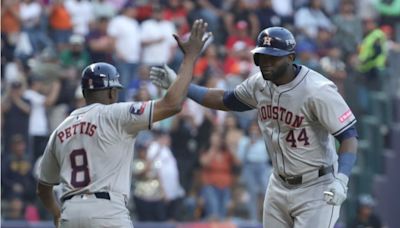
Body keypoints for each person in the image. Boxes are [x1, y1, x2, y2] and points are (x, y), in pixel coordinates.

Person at [150, 26, 359, 228]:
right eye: (261, 56)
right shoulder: (259, 84)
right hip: (278, 184)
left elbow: (348, 135)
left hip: (316, 186)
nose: (266, 63)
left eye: (273, 57)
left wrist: (342, 179)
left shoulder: (317, 90)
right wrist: (180, 84)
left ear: (290, 57)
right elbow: (224, 100)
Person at [36, 19, 211, 228]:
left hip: (70, 212)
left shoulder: (61, 128)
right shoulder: (116, 114)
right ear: (112, 91)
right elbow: (172, 105)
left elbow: (43, 188)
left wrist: (57, 213)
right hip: (107, 211)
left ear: (84, 92)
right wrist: (190, 57)